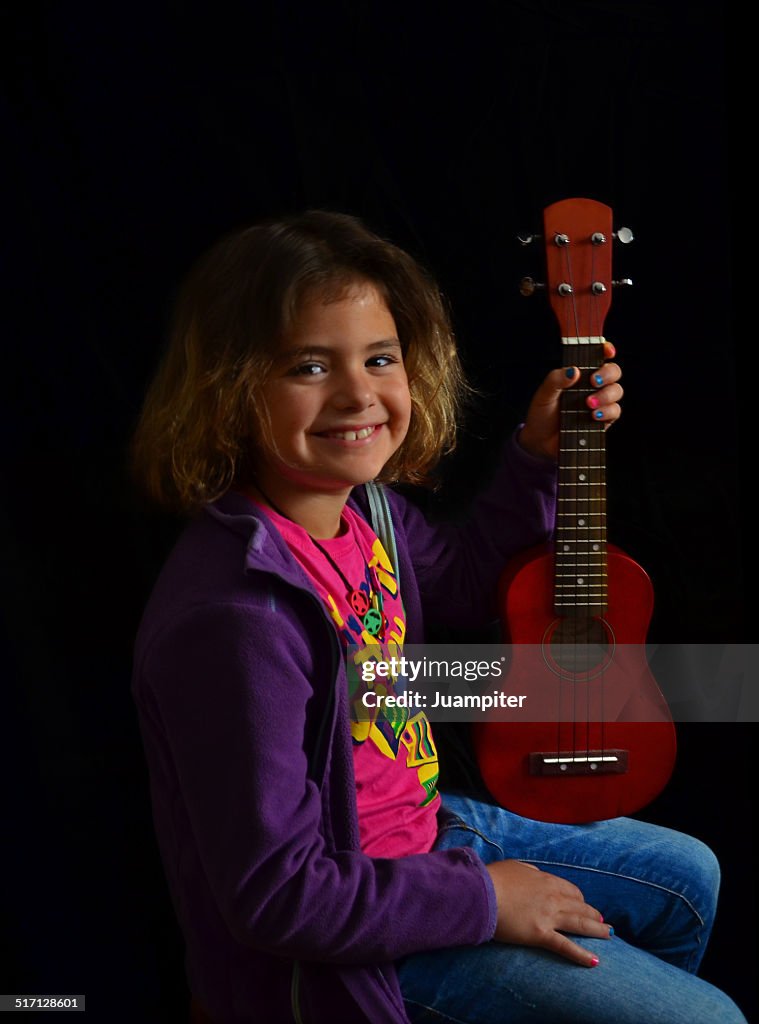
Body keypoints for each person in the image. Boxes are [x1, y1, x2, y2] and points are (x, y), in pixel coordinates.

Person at [130, 210, 747, 1024]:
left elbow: (466, 584)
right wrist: (485, 900)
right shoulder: (238, 617)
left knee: (686, 876)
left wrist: (536, 451)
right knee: (706, 1020)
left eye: (379, 358)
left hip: (421, 831)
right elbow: (278, 898)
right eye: (309, 367)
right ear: (229, 385)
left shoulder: (367, 514)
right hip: (346, 941)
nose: (358, 394)